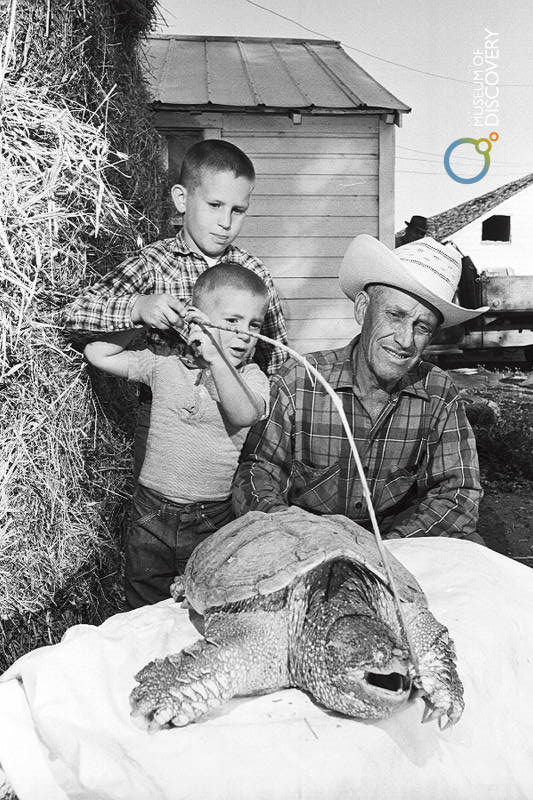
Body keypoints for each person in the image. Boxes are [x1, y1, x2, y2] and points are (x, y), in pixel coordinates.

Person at [233, 234, 489, 542]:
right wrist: (291, 536)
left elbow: (460, 493)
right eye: (395, 315)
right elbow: (257, 473)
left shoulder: (437, 391)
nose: (405, 340)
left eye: (422, 327)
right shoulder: (300, 378)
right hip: (304, 542)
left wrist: (390, 549)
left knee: (475, 549)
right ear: (363, 309)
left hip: (393, 544)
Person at [63, 138, 288, 476]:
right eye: (214, 205)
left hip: (233, 422)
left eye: (237, 210)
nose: (226, 222)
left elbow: (278, 359)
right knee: (154, 508)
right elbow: (71, 314)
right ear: (182, 199)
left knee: (220, 514)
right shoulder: (155, 263)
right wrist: (138, 307)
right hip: (162, 419)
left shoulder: (255, 275)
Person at [84, 263, 271, 608]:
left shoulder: (252, 376)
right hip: (150, 512)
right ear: (197, 320)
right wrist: (142, 317)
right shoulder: (163, 363)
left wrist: (216, 360)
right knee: (142, 607)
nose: (245, 334)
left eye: (254, 324)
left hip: (210, 520)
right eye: (232, 321)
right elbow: (97, 354)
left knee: (201, 606)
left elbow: (245, 413)